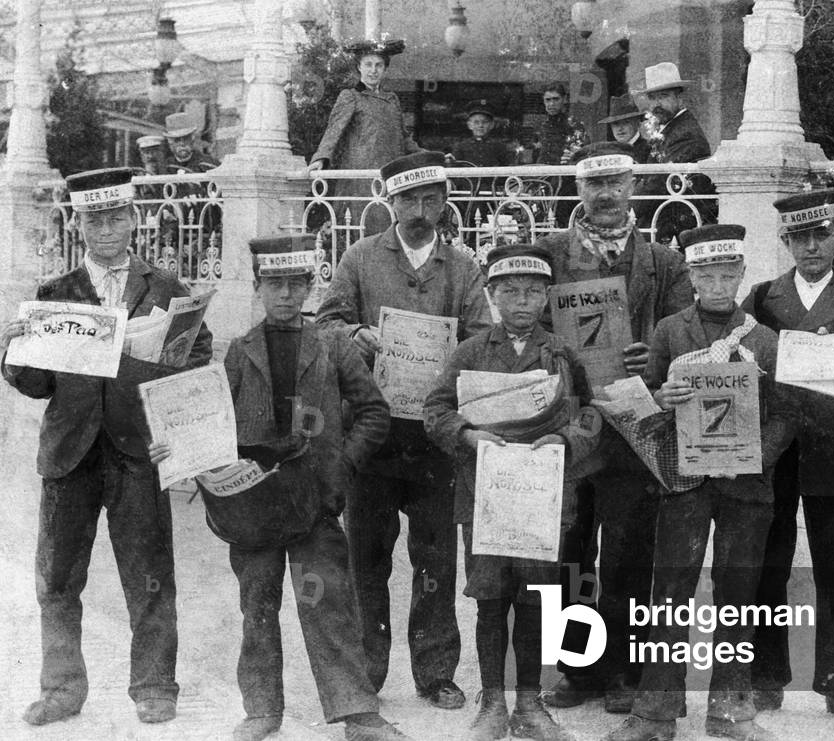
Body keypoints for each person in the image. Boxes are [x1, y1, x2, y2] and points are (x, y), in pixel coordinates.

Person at [147, 235, 408, 741]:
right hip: (254, 509)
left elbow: (374, 412)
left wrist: (342, 465)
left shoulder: (332, 345)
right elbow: (210, 423)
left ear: (310, 287)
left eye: (295, 284)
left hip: (315, 504)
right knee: (257, 609)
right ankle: (262, 711)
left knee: (328, 604)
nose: (285, 294)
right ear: (258, 287)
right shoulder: (239, 352)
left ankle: (358, 713)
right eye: (274, 284)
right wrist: (176, 449)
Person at [0, 167, 213, 727]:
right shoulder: (55, 293)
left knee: (150, 574)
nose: (106, 229)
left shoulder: (165, 288)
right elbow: (37, 384)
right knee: (57, 578)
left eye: (115, 217)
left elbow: (196, 359)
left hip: (137, 450)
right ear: (79, 223)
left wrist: (175, 416)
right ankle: (61, 689)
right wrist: (13, 355)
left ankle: (154, 687)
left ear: (133, 219)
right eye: (94, 219)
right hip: (69, 453)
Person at [603, 224, 796, 741]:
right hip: (684, 482)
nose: (716, 285)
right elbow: (648, 401)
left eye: (726, 275)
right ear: (691, 276)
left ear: (741, 274)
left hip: (745, 486)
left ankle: (730, 711)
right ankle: (655, 713)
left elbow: (785, 413)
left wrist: (756, 457)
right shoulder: (670, 331)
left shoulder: (762, 339)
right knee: (670, 591)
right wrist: (660, 399)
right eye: (706, 275)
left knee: (738, 593)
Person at [315, 151, 492, 710]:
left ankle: (436, 672)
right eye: (408, 199)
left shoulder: (461, 267)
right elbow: (325, 323)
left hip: (435, 437)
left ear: (444, 204)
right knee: (365, 556)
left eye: (430, 199)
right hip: (373, 429)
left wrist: (453, 353)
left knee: (436, 556)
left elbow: (482, 337)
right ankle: (365, 671)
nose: (419, 210)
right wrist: (356, 335)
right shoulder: (360, 257)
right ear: (390, 202)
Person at [537, 144, 694, 715]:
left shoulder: (662, 261)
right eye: (594, 184)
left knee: (628, 552)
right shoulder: (550, 254)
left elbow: (680, 334)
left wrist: (650, 354)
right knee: (569, 551)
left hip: (635, 426)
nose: (605, 194)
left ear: (632, 186)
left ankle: (626, 671)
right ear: (579, 189)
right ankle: (578, 670)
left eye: (616, 182)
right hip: (571, 421)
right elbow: (528, 325)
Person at [424, 244, 601, 741]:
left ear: (546, 297)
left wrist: (565, 440)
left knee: (534, 598)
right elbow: (435, 410)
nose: (522, 301)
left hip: (542, 496)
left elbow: (591, 414)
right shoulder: (471, 351)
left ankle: (529, 703)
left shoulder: (563, 353)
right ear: (492, 296)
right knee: (490, 598)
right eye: (510, 292)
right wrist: (467, 435)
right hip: (486, 495)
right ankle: (492, 704)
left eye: (533, 292)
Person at [740, 189, 834, 725]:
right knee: (768, 564)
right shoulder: (763, 298)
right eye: (800, 238)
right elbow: (741, 358)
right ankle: (764, 677)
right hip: (775, 452)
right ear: (786, 242)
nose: (811, 247)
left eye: (821, 236)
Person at [308, 38, 420, 237]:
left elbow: (404, 139)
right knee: (364, 231)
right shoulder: (351, 96)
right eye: (368, 64)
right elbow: (334, 131)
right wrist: (320, 158)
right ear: (359, 67)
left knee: (391, 231)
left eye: (379, 65)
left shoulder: (392, 100)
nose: (373, 70)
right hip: (361, 178)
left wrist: (429, 156)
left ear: (385, 69)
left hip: (389, 176)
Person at [634, 62, 716, 242]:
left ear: (680, 98)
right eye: (652, 98)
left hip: (675, 232)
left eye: (663, 96)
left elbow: (657, 183)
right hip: (662, 223)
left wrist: (626, 204)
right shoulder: (670, 129)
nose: (656, 104)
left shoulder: (684, 134)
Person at [534, 83, 589, 165]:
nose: (551, 104)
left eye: (556, 99)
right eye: (548, 100)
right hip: (540, 170)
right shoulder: (541, 126)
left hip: (564, 170)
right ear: (543, 101)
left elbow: (581, 154)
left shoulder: (575, 125)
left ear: (564, 99)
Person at [450, 100, 511, 167]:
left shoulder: (500, 147)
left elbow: (507, 169)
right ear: (469, 125)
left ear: (492, 125)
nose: (480, 125)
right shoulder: (461, 147)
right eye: (476, 122)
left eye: (485, 122)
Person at [598, 95, 650, 164]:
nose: (620, 128)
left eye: (626, 122)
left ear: (637, 123)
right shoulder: (608, 153)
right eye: (616, 123)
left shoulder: (649, 150)